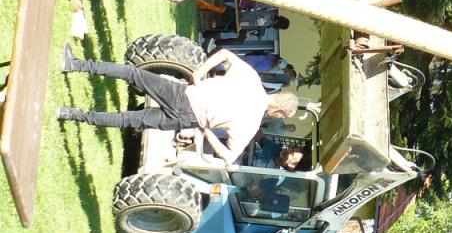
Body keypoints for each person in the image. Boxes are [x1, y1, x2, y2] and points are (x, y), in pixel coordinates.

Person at [58, 45, 299, 166]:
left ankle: (75, 65)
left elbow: (225, 54)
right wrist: (206, 131)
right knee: (128, 119)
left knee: (133, 74)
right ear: (278, 112)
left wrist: (199, 72)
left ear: (278, 95)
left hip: (184, 95)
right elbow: (228, 157)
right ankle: (71, 114)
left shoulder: (252, 79)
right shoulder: (252, 124)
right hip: (187, 120)